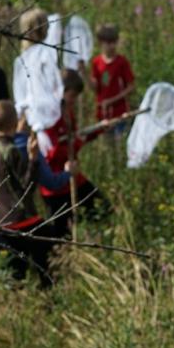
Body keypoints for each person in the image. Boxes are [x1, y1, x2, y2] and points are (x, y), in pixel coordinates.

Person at [0, 99, 74, 290]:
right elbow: (40, 185)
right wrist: (67, 172)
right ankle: (46, 290)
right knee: (43, 251)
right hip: (16, 219)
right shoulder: (23, 147)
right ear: (17, 121)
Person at [38, 70, 113, 240]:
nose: (74, 100)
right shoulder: (47, 118)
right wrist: (75, 143)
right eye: (72, 95)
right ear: (61, 92)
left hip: (74, 179)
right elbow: (49, 155)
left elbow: (75, 138)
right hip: (56, 185)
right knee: (61, 235)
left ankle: (97, 243)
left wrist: (99, 129)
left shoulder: (67, 112)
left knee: (102, 209)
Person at [90, 24, 135, 126]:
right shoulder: (96, 62)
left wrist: (111, 101)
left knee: (119, 140)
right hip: (102, 113)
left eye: (114, 42)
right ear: (101, 43)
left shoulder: (121, 62)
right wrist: (84, 74)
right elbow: (95, 87)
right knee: (106, 141)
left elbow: (131, 87)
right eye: (109, 43)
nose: (112, 46)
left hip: (119, 113)